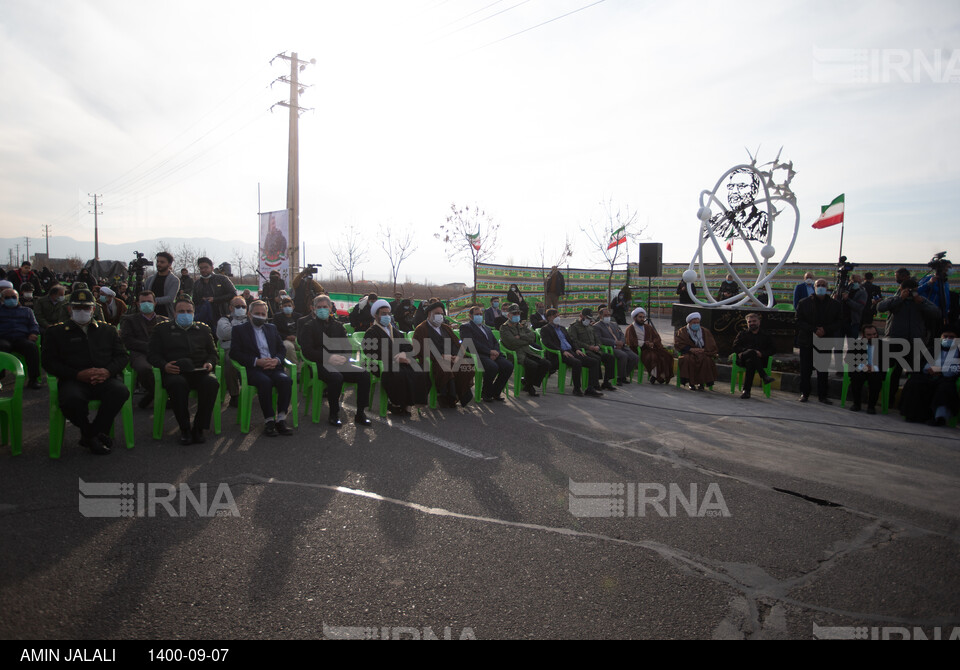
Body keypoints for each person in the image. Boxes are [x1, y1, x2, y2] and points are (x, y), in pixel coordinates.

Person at [41, 287, 129, 454]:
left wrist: (107, 372)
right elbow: (48, 362)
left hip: (104, 379)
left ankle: (90, 434)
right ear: (69, 309)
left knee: (120, 392)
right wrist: (76, 374)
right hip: (74, 380)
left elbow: (122, 357)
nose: (82, 311)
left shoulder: (107, 330)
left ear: (93, 309)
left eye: (86, 308)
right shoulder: (56, 332)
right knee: (71, 400)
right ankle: (93, 435)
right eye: (77, 308)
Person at [148, 296, 219, 445]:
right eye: (181, 311)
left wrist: (210, 363)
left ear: (194, 312)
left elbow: (213, 353)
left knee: (212, 383)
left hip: (199, 371)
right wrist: (164, 365)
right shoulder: (162, 329)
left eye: (189, 311)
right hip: (175, 372)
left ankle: (199, 427)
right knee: (177, 385)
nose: (185, 314)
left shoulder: (203, 329)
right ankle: (185, 428)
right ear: (174, 313)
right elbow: (152, 355)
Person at [299, 295, 372, 427]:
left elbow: (347, 347)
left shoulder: (338, 326)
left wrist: (343, 357)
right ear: (314, 309)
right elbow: (307, 351)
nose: (322, 310)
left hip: (340, 363)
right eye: (319, 307)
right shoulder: (309, 327)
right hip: (321, 364)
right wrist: (328, 358)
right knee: (336, 378)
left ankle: (360, 413)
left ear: (331, 308)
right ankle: (334, 413)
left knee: (364, 374)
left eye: (325, 307)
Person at [229, 300, 297, 435]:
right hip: (254, 369)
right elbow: (234, 353)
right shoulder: (239, 330)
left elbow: (281, 349)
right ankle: (269, 420)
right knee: (265, 382)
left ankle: (281, 419)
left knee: (286, 381)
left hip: (273, 367)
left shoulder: (271, 328)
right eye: (257, 313)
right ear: (249, 314)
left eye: (263, 314)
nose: (260, 316)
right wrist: (256, 361)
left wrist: (277, 360)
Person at [876, 278, 940, 401]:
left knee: (915, 372)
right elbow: (880, 307)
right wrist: (900, 298)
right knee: (894, 373)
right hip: (895, 342)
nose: (911, 294)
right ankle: (889, 399)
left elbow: (936, 313)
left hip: (916, 342)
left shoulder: (921, 301)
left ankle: (908, 401)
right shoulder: (895, 300)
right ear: (901, 289)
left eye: (914, 291)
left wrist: (921, 303)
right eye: (908, 291)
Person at [363, 300, 430, 415]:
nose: (387, 316)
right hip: (383, 364)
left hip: (401, 362)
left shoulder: (394, 331)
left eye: (388, 314)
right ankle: (396, 404)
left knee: (420, 370)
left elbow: (408, 347)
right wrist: (395, 357)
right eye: (383, 314)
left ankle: (409, 405)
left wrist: (405, 354)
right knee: (400, 374)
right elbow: (370, 350)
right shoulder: (371, 332)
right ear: (376, 315)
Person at [413, 301, 474, 408]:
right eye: (437, 313)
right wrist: (441, 356)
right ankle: (446, 397)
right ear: (429, 314)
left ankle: (460, 395)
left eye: (441, 314)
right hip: (435, 360)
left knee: (466, 367)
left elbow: (457, 343)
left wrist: (457, 356)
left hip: (452, 357)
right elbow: (420, 348)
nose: (440, 316)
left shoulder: (446, 328)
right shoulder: (421, 329)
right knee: (445, 369)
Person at [119, 291, 169, 409]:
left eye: (149, 301)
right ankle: (160, 396)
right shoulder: (129, 320)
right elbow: (127, 340)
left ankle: (151, 396)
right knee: (144, 369)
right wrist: (148, 346)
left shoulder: (164, 321)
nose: (146, 304)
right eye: (143, 302)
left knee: (172, 367)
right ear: (138, 303)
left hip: (160, 354)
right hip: (139, 353)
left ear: (155, 303)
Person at [796, 278, 843, 404]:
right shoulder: (804, 302)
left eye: (823, 285)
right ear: (815, 287)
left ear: (827, 287)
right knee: (805, 369)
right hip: (807, 340)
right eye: (818, 285)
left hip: (825, 340)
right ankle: (804, 393)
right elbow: (799, 320)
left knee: (822, 370)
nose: (821, 287)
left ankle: (823, 395)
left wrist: (825, 330)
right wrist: (813, 330)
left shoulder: (835, 304)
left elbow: (839, 321)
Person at [898, 330, 959, 425]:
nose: (948, 339)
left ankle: (939, 418)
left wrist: (941, 370)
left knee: (945, 388)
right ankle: (912, 414)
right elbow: (922, 364)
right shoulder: (932, 349)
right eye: (945, 336)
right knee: (915, 381)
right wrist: (929, 369)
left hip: (946, 378)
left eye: (951, 337)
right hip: (928, 375)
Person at [539, 308, 603, 397]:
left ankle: (591, 388)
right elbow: (548, 343)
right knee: (577, 363)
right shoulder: (545, 329)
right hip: (558, 354)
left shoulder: (562, 328)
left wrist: (576, 349)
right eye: (555, 316)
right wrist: (562, 351)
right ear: (549, 317)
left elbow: (571, 341)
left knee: (594, 362)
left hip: (571, 351)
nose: (558, 317)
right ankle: (577, 389)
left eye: (558, 315)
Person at [460, 305, 513, 402]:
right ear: (470, 316)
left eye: (481, 314)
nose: (479, 316)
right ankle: (486, 393)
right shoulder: (465, 327)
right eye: (477, 314)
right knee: (492, 367)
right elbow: (471, 343)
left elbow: (495, 342)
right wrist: (489, 352)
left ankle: (495, 392)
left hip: (493, 354)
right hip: (478, 355)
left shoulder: (487, 328)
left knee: (508, 366)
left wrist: (496, 351)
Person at [498, 303, 550, 396]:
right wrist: (526, 341)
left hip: (527, 351)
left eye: (518, 313)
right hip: (515, 353)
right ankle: (530, 387)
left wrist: (521, 336)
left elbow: (532, 336)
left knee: (546, 363)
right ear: (509, 315)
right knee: (532, 365)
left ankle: (528, 383)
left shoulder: (522, 325)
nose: (517, 315)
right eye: (514, 314)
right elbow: (512, 342)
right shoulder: (504, 327)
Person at [709, 167, 768, 242]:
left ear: (754, 191)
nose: (734, 191)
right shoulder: (717, 219)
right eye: (731, 187)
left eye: (741, 186)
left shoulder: (764, 220)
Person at [0, 286, 42, 388]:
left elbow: (34, 325)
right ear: (2, 299)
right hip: (3, 338)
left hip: (21, 338)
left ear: (18, 297)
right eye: (7, 297)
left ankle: (33, 379)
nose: (11, 299)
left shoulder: (27, 311)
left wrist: (33, 333)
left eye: (13, 297)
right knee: (1, 349)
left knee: (32, 348)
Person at [569, 308, 617, 392]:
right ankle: (594, 384)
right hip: (585, 350)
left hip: (595, 350)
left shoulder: (590, 327)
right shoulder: (574, 327)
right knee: (596, 359)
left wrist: (598, 346)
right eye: (587, 318)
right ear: (581, 316)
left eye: (590, 318)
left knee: (610, 358)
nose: (589, 320)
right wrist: (589, 347)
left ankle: (606, 381)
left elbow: (597, 339)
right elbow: (574, 341)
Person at [624, 307, 673, 384]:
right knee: (653, 357)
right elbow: (630, 341)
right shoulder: (630, 328)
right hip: (639, 349)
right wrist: (644, 343)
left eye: (643, 317)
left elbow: (657, 337)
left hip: (652, 348)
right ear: (634, 318)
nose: (642, 319)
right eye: (640, 317)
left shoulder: (648, 327)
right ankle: (655, 376)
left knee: (667, 355)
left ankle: (661, 375)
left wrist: (653, 343)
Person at [732, 313, 775, 399]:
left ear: (759, 322)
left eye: (754, 321)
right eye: (749, 322)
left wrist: (762, 353)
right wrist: (745, 351)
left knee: (751, 362)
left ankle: (746, 391)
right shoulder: (742, 334)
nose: (752, 323)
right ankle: (764, 376)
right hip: (743, 359)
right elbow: (735, 347)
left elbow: (773, 349)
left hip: (760, 360)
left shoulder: (766, 335)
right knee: (751, 353)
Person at [217, 295, 250, 408]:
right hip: (230, 349)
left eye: (243, 306)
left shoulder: (250, 318)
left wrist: (237, 333)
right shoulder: (224, 319)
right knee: (230, 361)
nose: (241, 308)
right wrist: (246, 333)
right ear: (231, 308)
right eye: (238, 306)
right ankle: (234, 395)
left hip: (249, 349)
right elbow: (225, 333)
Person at [845, 323, 886, 414]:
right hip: (861, 369)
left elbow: (888, 363)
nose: (873, 337)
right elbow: (848, 359)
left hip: (876, 370)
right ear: (863, 335)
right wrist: (863, 367)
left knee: (876, 380)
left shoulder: (883, 345)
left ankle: (871, 406)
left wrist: (874, 368)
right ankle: (856, 404)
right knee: (856, 378)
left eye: (874, 334)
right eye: (869, 335)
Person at [594, 307, 638, 385]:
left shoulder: (614, 324)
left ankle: (624, 375)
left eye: (608, 315)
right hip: (610, 348)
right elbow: (600, 339)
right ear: (600, 316)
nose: (607, 316)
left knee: (635, 357)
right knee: (623, 356)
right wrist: (614, 343)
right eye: (605, 315)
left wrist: (621, 342)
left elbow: (621, 334)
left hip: (621, 346)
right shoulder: (597, 326)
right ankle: (620, 377)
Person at [675, 312, 718, 391]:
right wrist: (690, 349)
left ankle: (701, 383)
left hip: (703, 352)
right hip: (689, 352)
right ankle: (691, 383)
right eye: (694, 323)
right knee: (688, 360)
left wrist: (703, 350)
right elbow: (679, 344)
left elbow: (711, 344)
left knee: (706, 360)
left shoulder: (705, 331)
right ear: (689, 323)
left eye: (698, 323)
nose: (696, 324)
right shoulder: (683, 331)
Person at [192, 256, 237, 330]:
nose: (203, 270)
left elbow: (233, 294)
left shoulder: (222, 279)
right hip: (204, 319)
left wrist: (215, 299)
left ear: (212, 268)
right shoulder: (197, 284)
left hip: (222, 316)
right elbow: (194, 302)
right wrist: (202, 301)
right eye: (201, 268)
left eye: (206, 267)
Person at [143, 252, 180, 319]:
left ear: (169, 264)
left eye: (162, 262)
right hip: (149, 314)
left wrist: (152, 301)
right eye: (158, 261)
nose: (159, 264)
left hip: (165, 314)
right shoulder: (150, 279)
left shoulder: (174, 280)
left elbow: (170, 298)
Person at [274, 296, 301, 365]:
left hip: (297, 339)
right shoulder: (277, 317)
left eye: (289, 306)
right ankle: (296, 368)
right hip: (285, 339)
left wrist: (296, 336)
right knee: (288, 347)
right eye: (285, 306)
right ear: (281, 307)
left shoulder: (299, 317)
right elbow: (275, 332)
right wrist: (286, 337)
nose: (287, 307)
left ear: (293, 307)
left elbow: (302, 330)